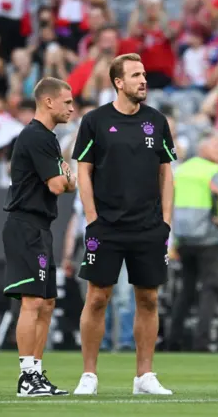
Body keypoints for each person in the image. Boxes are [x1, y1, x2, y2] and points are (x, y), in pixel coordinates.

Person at [71, 53, 176, 395]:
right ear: (118, 82)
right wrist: (91, 218)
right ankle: (89, 374)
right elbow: (83, 171)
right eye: (135, 75)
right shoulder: (95, 121)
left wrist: (166, 222)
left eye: (144, 74)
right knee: (98, 297)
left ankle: (144, 376)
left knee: (148, 299)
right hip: (107, 225)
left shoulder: (157, 121)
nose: (143, 80)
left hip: (148, 226)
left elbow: (166, 173)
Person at [2, 77, 76, 397]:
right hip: (26, 225)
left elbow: (63, 180)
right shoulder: (36, 136)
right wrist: (66, 178)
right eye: (67, 102)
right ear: (48, 102)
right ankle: (26, 377)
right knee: (32, 301)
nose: (72, 107)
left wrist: (66, 178)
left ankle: (36, 373)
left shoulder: (48, 138)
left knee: (46, 303)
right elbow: (59, 185)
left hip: (40, 226)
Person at [167, 130, 218, 352]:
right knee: (209, 289)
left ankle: (173, 340)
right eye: (216, 146)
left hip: (184, 238)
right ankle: (201, 343)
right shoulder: (214, 171)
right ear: (204, 149)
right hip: (210, 238)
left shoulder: (181, 170)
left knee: (186, 289)